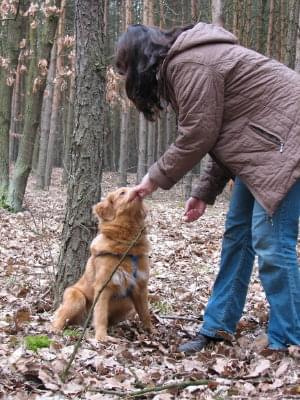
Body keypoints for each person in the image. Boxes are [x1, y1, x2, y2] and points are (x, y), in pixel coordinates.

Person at [115, 22, 300, 353]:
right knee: (238, 235)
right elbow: (225, 135)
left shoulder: (191, 64)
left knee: (271, 241)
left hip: (288, 143)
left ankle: (289, 340)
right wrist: (204, 192)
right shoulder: (189, 63)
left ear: (140, 63)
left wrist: (153, 178)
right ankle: (218, 327)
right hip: (264, 146)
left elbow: (198, 134)